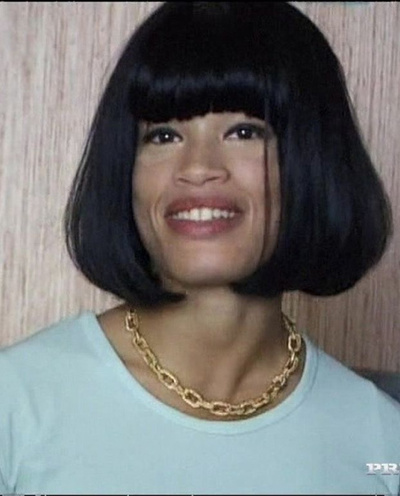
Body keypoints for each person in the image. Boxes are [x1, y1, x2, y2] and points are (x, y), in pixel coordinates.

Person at [0, 2, 399, 494]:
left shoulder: (382, 445)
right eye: (164, 135)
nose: (197, 167)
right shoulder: (14, 403)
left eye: (245, 132)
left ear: (314, 162)